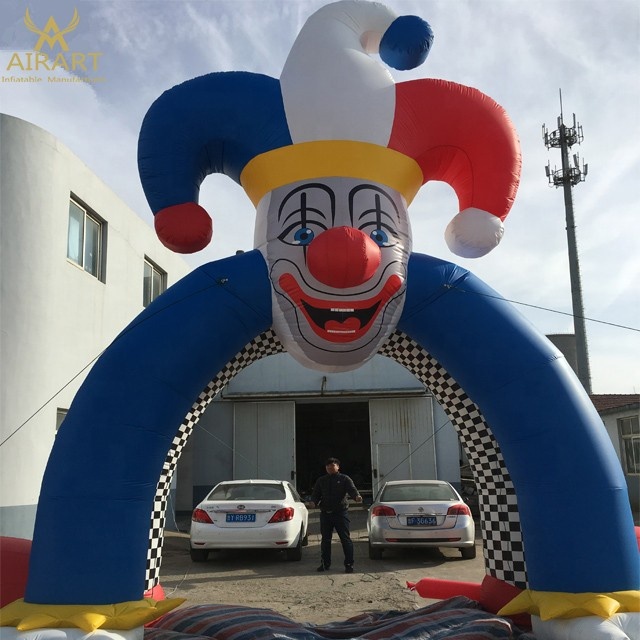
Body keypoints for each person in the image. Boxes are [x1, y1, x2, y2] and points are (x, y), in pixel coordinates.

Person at [307, 457, 363, 573]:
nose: (329, 469)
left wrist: (357, 497)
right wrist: (313, 502)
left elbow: (352, 490)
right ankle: (325, 564)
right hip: (325, 514)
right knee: (325, 540)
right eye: (327, 467)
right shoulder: (321, 480)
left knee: (345, 539)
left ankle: (349, 564)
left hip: (340, 513)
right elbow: (316, 494)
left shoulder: (344, 479)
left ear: (338, 467)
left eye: (332, 467)